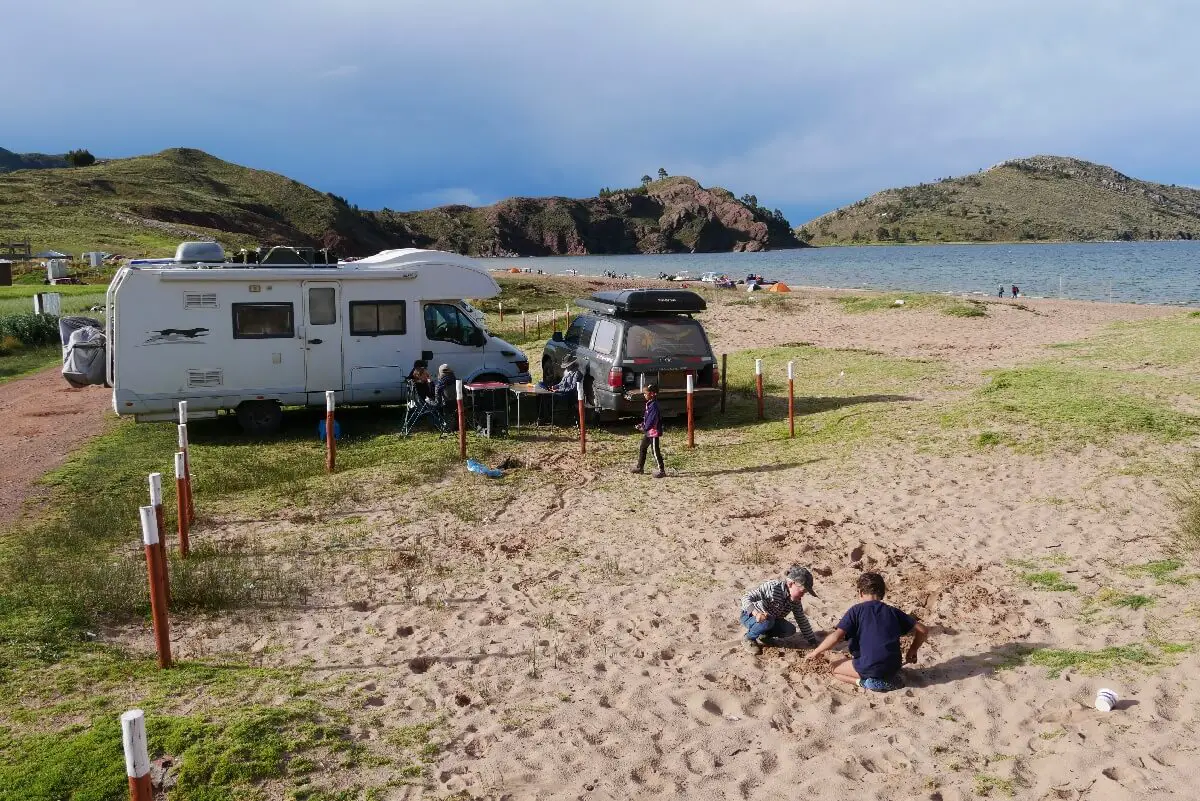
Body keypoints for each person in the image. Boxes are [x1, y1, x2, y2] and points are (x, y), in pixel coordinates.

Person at [805, 572, 929, 692]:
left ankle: (866, 683)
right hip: (894, 666)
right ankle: (888, 679)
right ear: (882, 593)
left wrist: (816, 652)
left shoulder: (856, 610)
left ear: (860, 592)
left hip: (869, 666)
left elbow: (837, 637)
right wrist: (913, 649)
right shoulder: (893, 611)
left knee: (834, 668)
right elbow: (923, 630)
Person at [739, 565, 820, 653]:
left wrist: (811, 639)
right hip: (750, 616)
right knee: (768, 621)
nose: (803, 595)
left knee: (789, 629)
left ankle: (764, 636)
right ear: (790, 584)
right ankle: (748, 638)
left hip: (771, 620)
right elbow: (746, 597)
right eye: (802, 591)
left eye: (805, 592)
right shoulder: (772, 587)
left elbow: (801, 619)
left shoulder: (795, 600)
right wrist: (756, 613)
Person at [630, 383, 666, 477]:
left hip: (653, 432)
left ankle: (661, 470)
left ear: (652, 394)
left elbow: (652, 420)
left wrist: (644, 427)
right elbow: (647, 418)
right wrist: (642, 424)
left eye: (646, 393)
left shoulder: (654, 406)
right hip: (648, 432)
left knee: (655, 451)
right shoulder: (650, 404)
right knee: (643, 447)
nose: (644, 395)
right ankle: (640, 467)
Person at [537, 358, 581, 425]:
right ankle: (545, 416)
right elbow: (561, 383)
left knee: (545, 397)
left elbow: (572, 388)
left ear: (572, 365)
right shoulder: (567, 372)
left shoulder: (576, 374)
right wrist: (555, 387)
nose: (566, 367)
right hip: (560, 391)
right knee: (541, 386)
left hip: (567, 395)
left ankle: (545, 417)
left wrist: (557, 390)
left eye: (567, 366)